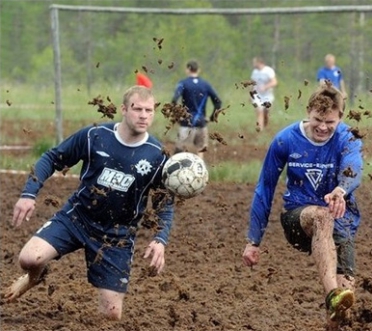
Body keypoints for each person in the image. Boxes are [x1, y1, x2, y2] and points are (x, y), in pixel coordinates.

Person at [3, 86, 174, 320]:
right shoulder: (95, 136)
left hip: (117, 236)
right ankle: (35, 277)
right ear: (124, 109)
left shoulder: (157, 155)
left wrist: (160, 239)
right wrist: (29, 194)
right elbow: (52, 157)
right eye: (137, 109)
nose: (144, 115)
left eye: (149, 110)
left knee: (111, 316)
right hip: (77, 218)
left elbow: (165, 201)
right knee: (29, 258)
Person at [242, 83, 363, 331]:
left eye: (330, 122)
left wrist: (341, 190)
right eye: (318, 119)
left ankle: (336, 305)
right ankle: (332, 294)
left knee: (343, 311)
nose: (322, 127)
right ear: (308, 111)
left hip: (341, 218)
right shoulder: (286, 140)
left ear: (340, 117)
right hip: (299, 216)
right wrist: (254, 240)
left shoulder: (347, 137)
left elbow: (354, 168)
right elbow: (265, 187)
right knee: (321, 217)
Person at [171, 60, 222, 159]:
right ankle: (200, 173)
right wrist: (211, 118)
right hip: (201, 123)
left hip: (186, 123)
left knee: (180, 154)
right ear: (198, 70)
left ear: (188, 69)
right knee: (200, 151)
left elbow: (174, 100)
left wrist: (177, 117)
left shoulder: (183, 83)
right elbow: (218, 102)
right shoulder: (205, 85)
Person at [250, 57, 278, 131]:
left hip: (267, 95)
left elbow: (274, 82)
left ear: (259, 62)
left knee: (266, 112)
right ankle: (260, 129)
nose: (253, 64)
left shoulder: (268, 71)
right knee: (259, 110)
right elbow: (252, 83)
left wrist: (265, 87)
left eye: (254, 62)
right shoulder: (254, 72)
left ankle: (265, 125)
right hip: (257, 95)